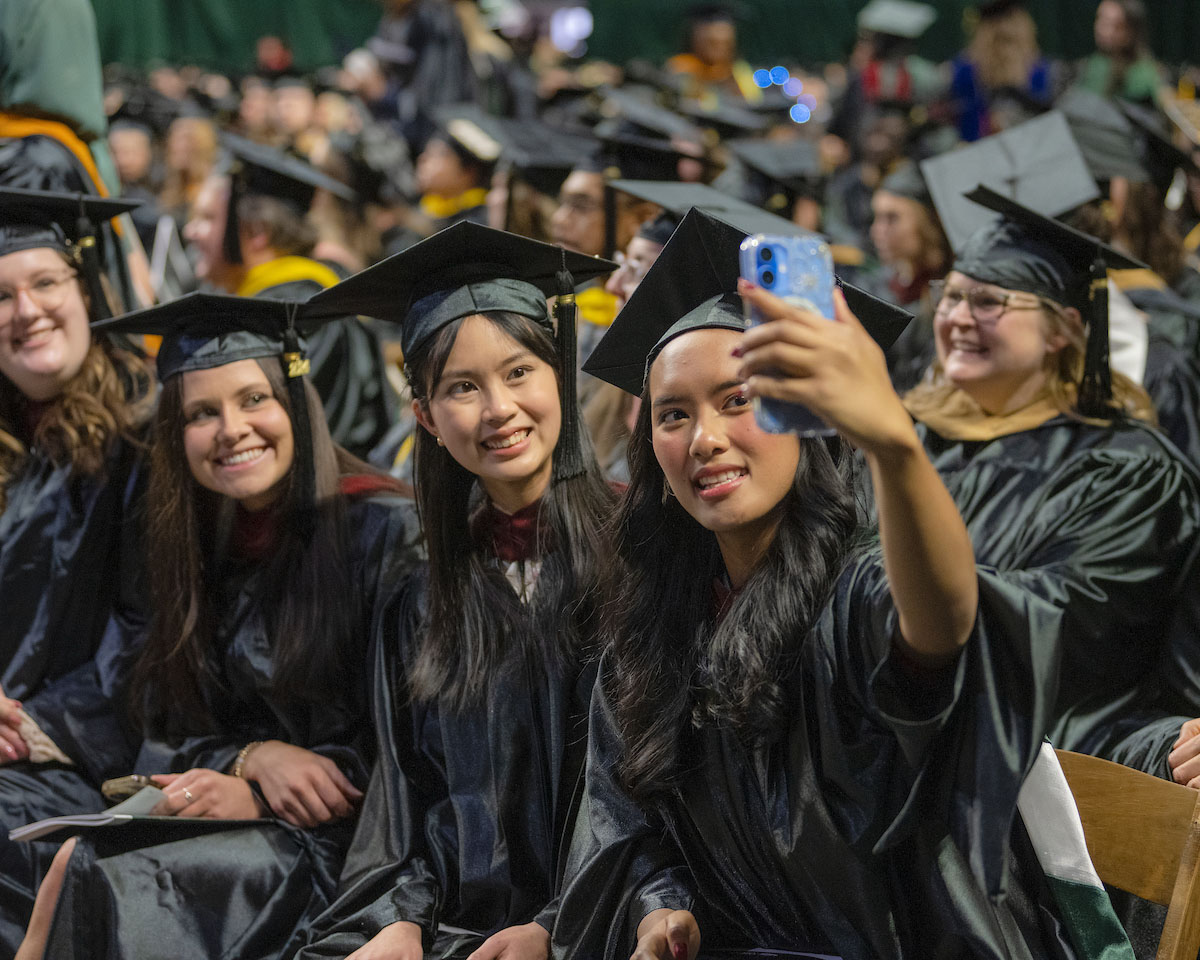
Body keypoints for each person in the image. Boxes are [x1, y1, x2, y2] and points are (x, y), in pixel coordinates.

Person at [556, 206, 1131, 957]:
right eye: (673, 415)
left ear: (810, 421)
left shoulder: (857, 595)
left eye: (740, 400)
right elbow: (627, 822)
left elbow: (944, 627)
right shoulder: (655, 629)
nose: (705, 439)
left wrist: (893, 444)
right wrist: (659, 906)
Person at [16, 291, 422, 960]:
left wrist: (268, 791)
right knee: (75, 859)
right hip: (257, 826)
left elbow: (415, 750)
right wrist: (247, 762)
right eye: (202, 414)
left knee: (112, 880)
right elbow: (164, 716)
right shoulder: (196, 547)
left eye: (253, 399)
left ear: (295, 401)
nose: (232, 429)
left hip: (358, 855)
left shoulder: (384, 534)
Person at [288, 222, 616, 959]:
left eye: (519, 372)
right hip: (462, 934)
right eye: (463, 388)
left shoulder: (640, 552)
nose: (499, 409)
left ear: (559, 373)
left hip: (604, 924)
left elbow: (657, 799)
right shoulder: (423, 598)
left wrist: (557, 928)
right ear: (427, 419)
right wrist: (397, 919)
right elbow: (406, 805)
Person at [903, 185, 1200, 777]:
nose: (958, 318)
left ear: (1064, 328)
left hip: (1037, 776)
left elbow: (1053, 636)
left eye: (988, 302)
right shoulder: (912, 435)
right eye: (952, 296)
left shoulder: (1127, 472)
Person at [0, 188, 153, 954]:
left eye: (45, 283)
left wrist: (35, 724)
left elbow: (153, 627)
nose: (24, 310)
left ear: (84, 288)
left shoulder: (146, 432)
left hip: (89, 762)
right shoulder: (9, 444)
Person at [184, 134, 393, 458]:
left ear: (257, 233)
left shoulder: (301, 312)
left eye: (207, 218)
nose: (190, 231)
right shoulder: (275, 299)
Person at [867, 160, 951, 389]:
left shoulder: (950, 295)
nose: (876, 231)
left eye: (892, 218)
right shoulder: (876, 285)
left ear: (926, 223)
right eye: (877, 217)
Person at [1076, 0, 1162, 103]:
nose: (1101, 29)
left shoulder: (1143, 75)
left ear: (1130, 31)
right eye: (1100, 19)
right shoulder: (1097, 62)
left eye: (1113, 25)